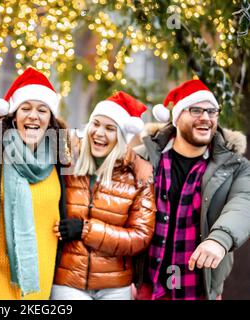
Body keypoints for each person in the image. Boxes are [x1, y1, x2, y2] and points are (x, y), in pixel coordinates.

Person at [134, 79, 250, 300]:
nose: (205, 117)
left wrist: (220, 239)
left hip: (199, 289)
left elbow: (244, 203)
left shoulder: (236, 167)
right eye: (196, 110)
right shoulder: (143, 157)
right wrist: (125, 277)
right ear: (177, 118)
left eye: (211, 111)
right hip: (147, 287)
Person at [0, 67, 69, 300]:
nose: (34, 116)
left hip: (40, 276)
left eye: (42, 110)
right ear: (13, 117)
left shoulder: (59, 160)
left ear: (50, 119)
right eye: (25, 108)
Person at [51, 92, 156, 300]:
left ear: (121, 137)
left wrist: (86, 230)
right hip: (68, 280)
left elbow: (140, 237)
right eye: (96, 124)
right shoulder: (67, 163)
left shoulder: (138, 177)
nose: (99, 133)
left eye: (110, 129)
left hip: (116, 286)